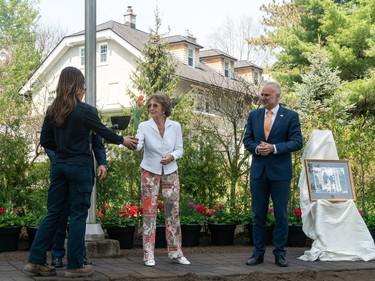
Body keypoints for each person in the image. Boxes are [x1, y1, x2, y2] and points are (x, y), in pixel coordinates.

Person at [24, 66, 138, 278]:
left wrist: (61, 151)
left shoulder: (53, 110)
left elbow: (45, 141)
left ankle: (36, 260)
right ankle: (75, 264)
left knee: (53, 213)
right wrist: (122, 140)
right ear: (76, 86)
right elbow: (102, 131)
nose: (84, 91)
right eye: (83, 87)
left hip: (59, 167)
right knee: (78, 215)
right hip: (79, 168)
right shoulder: (85, 110)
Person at [243, 82, 303, 267]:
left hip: (280, 175)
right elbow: (248, 140)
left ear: (277, 96)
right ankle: (257, 253)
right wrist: (256, 149)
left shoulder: (291, 116)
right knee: (258, 215)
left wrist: (274, 148)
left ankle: (280, 254)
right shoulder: (254, 115)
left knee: (281, 216)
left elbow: (297, 142)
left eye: (267, 95)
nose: (263, 98)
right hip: (259, 173)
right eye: (262, 94)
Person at [135, 91, 190, 267]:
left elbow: (180, 149)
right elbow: (138, 145)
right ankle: (148, 255)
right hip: (150, 172)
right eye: (149, 105)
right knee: (149, 214)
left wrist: (171, 156)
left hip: (171, 171)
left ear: (164, 108)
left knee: (172, 212)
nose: (151, 108)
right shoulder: (144, 126)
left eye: (155, 105)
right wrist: (133, 143)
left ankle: (176, 252)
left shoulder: (175, 126)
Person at [44, 131, 107, 268]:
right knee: (60, 215)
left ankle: (79, 255)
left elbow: (98, 142)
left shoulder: (88, 113)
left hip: (83, 172)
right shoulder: (58, 112)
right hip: (62, 171)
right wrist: (57, 160)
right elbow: (47, 141)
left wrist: (102, 163)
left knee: (79, 216)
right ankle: (57, 255)